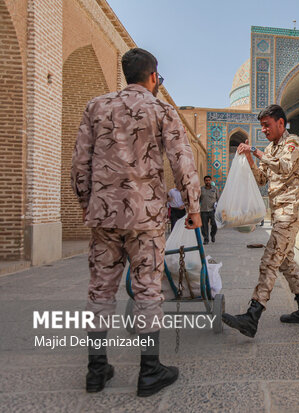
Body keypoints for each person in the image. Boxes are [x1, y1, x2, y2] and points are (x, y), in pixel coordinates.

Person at [71, 48, 201, 397]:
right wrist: (193, 207)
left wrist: (88, 203)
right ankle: (149, 371)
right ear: (153, 77)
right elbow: (182, 162)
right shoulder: (161, 110)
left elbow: (79, 163)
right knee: (147, 289)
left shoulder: (96, 107)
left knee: (100, 289)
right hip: (145, 217)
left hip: (104, 215)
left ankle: (96, 371)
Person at [221, 104, 299, 338]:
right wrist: (250, 161)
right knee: (285, 261)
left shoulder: (292, 143)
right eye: (261, 126)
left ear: (280, 123)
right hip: (280, 212)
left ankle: (253, 315)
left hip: (291, 211)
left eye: (267, 125)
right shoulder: (270, 148)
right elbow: (262, 179)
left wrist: (256, 152)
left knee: (270, 259)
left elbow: (284, 167)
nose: (263, 129)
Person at [200, 175, 219, 244]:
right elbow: (198, 199)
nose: (207, 182)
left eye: (209, 180)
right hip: (203, 210)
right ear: (204, 181)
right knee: (204, 226)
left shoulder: (215, 189)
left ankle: (212, 235)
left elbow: (218, 199)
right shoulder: (201, 189)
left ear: (211, 181)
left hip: (212, 210)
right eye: (206, 180)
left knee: (214, 224)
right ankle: (206, 239)